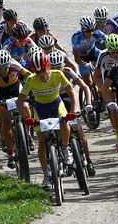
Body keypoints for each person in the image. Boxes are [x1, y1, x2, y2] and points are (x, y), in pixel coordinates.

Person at [16, 52, 79, 189]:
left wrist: (72, 112)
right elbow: (20, 102)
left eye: (44, 70)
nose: (42, 74)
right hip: (40, 109)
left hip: (56, 104)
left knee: (64, 122)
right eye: (38, 72)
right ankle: (46, 175)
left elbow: (72, 93)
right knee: (42, 142)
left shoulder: (58, 74)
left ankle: (65, 147)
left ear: (48, 67)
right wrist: (27, 118)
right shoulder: (31, 79)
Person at [0, 49, 32, 169]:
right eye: (0, 68)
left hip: (16, 87)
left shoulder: (15, 65)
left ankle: (28, 133)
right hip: (0, 92)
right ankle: (11, 154)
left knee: (25, 105)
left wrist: (32, 90)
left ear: (9, 65)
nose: (3, 71)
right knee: (6, 119)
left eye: (5, 67)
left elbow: (30, 76)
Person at [47, 50, 96, 176]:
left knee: (78, 129)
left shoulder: (68, 71)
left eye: (59, 67)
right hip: (54, 101)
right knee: (57, 128)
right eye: (53, 67)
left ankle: (89, 160)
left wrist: (89, 103)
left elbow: (84, 87)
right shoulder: (46, 75)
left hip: (68, 99)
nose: (57, 70)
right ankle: (63, 150)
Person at [71, 16, 105, 87]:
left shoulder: (97, 33)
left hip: (93, 52)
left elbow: (110, 40)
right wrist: (85, 64)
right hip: (82, 58)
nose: (91, 33)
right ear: (82, 30)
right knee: (89, 83)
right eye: (88, 31)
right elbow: (77, 59)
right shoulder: (76, 38)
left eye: (92, 30)